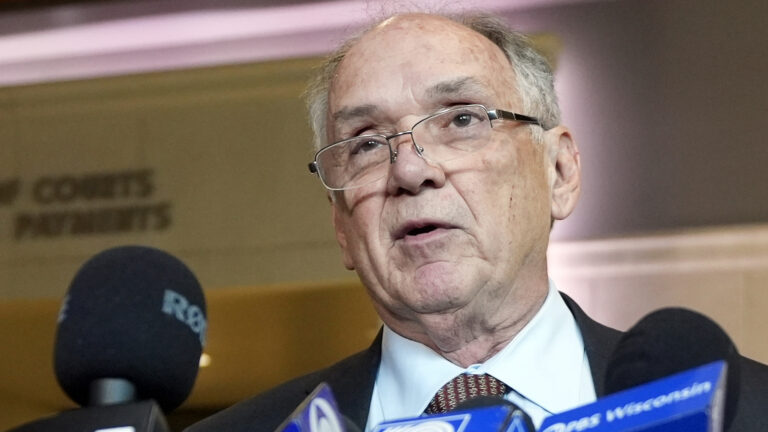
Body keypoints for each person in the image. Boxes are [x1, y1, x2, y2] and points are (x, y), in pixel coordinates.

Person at [187, 11, 768, 432]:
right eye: (366, 143)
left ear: (559, 171)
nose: (410, 169)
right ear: (341, 224)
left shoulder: (748, 412)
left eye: (462, 119)